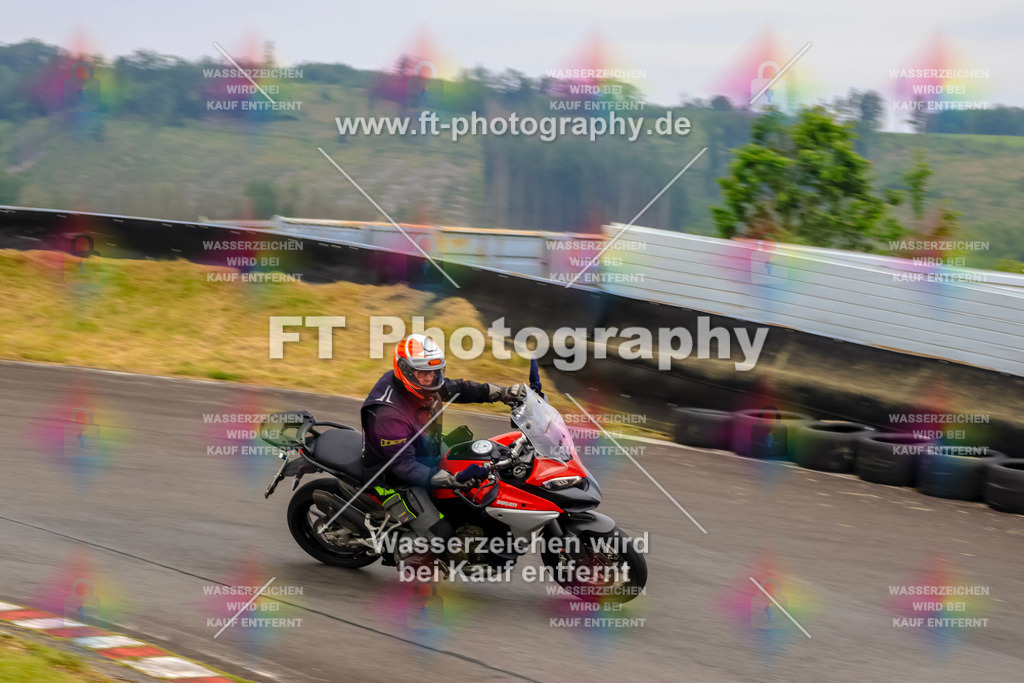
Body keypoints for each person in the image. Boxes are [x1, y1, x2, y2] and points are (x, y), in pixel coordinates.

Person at [361, 333, 525, 557]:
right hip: (391, 478)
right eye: (424, 373)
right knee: (442, 536)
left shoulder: (422, 383)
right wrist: (446, 479)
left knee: (481, 462)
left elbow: (459, 388)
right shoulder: (388, 414)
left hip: (423, 451)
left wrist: (500, 393)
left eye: (435, 372)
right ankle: (400, 552)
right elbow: (402, 466)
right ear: (405, 371)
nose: (431, 379)